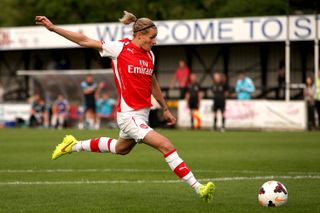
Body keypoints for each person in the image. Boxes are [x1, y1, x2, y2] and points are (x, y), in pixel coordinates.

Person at [35, 11, 214, 201]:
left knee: (121, 148)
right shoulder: (119, 48)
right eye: (152, 38)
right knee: (166, 145)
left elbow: (152, 83)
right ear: (139, 36)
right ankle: (199, 187)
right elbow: (83, 40)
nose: (155, 42)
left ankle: (73, 145)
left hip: (141, 116)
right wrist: (53, 28)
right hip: (129, 116)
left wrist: (165, 108)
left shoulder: (150, 56)